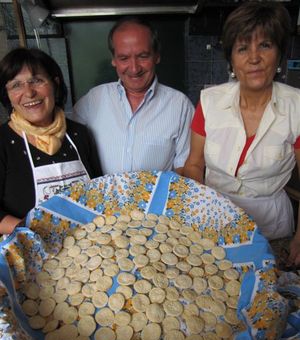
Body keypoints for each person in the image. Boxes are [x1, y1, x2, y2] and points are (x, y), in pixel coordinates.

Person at [183, 1, 300, 266]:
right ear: (231, 59)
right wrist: (194, 210)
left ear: (279, 54)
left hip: (272, 229)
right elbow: (194, 164)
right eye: (243, 48)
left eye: (265, 45)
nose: (254, 57)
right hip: (216, 224)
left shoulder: (297, 107)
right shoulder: (209, 102)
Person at [72, 16, 194, 176]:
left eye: (143, 56)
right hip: (103, 200)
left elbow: (186, 167)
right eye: (124, 58)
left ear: (157, 56)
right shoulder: (92, 101)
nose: (134, 68)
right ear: (114, 60)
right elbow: (72, 154)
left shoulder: (180, 106)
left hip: (158, 200)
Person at [0, 47, 102, 235]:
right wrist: (31, 232)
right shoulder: (3, 142)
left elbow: (100, 191)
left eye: (36, 80)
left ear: (55, 83)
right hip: (30, 250)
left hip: (89, 245)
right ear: (7, 95)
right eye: (16, 85)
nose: (29, 93)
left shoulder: (79, 134)